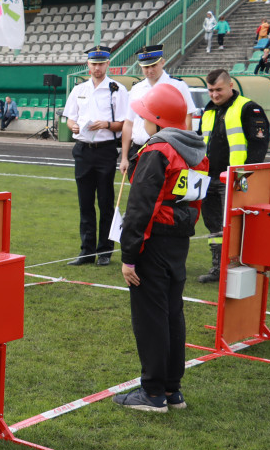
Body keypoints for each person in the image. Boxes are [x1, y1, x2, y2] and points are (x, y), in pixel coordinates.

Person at [114, 83, 209, 413]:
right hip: (178, 241)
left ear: (157, 119)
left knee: (151, 317)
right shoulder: (197, 152)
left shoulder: (157, 151)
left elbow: (141, 207)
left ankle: (152, 393)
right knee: (171, 314)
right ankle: (172, 389)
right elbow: (192, 202)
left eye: (145, 116)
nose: (142, 121)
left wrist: (129, 256)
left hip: (152, 245)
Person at [194, 69, 270, 283]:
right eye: (210, 90)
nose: (214, 95)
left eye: (218, 89)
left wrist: (244, 176)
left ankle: (242, 269)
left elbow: (258, 146)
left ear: (230, 86)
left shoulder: (249, 108)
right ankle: (219, 268)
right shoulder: (208, 111)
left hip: (236, 179)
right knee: (214, 226)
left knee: (238, 227)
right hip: (209, 178)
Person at [62, 46, 129, 266]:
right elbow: (70, 117)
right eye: (93, 64)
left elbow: (125, 123)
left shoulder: (117, 89)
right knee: (85, 202)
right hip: (83, 148)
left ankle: (105, 250)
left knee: (106, 201)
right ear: (88, 64)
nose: (97, 68)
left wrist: (107, 124)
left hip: (105, 149)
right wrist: (73, 126)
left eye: (101, 63)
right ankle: (87, 250)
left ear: (108, 63)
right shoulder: (79, 89)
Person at [120, 45, 196, 176]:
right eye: (146, 67)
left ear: (162, 62)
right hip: (139, 149)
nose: (149, 70)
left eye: (153, 65)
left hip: (167, 150)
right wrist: (124, 157)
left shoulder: (178, 86)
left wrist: (183, 151)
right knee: (138, 194)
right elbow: (129, 123)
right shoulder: (136, 89)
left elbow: (187, 120)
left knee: (164, 194)